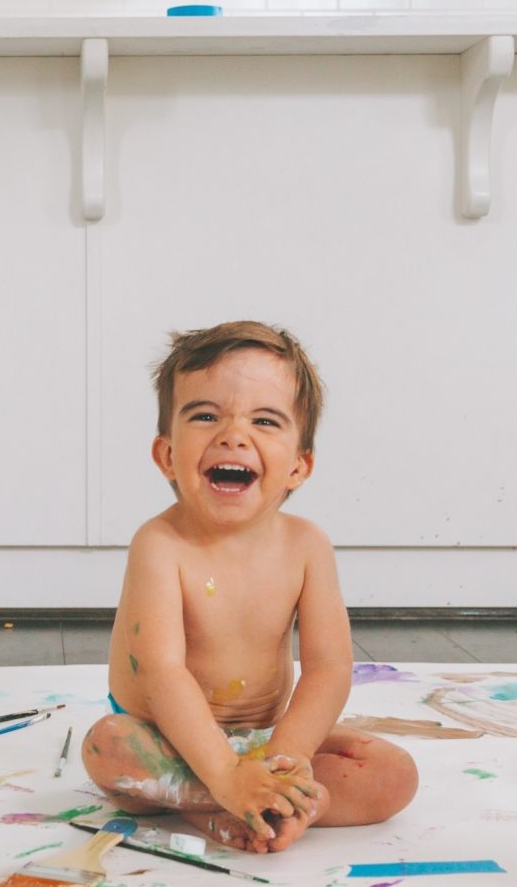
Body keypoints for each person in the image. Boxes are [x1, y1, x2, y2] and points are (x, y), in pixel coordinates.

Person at [82, 321, 418, 853]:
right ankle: (222, 800)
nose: (233, 435)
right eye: (206, 415)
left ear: (299, 467)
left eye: (264, 420)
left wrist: (284, 762)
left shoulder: (307, 546)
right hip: (167, 737)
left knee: (393, 773)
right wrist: (224, 773)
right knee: (107, 746)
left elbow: (330, 667)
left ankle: (284, 803)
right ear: (167, 455)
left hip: (266, 737)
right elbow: (162, 673)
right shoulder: (159, 545)